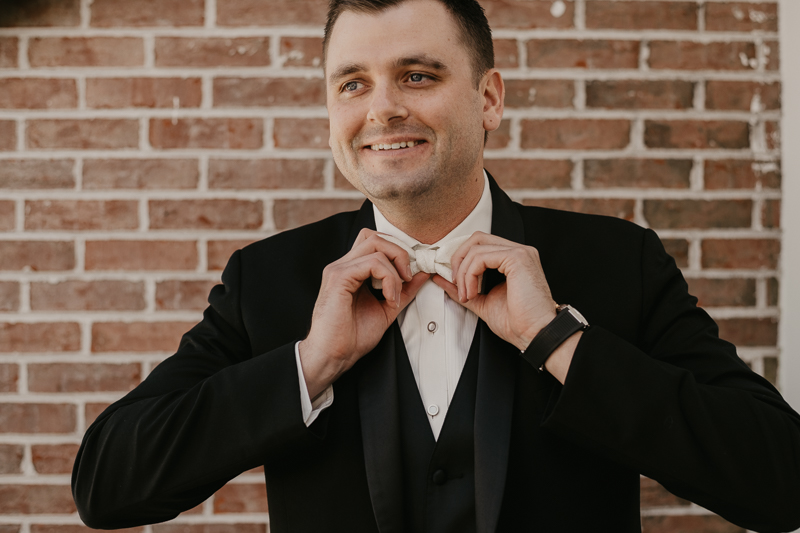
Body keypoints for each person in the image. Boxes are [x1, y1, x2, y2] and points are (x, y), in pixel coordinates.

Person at [72, 0, 800, 531]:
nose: (381, 108)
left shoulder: (618, 262)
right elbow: (108, 483)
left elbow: (780, 477)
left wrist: (558, 342)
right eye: (351, 83)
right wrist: (307, 364)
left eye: (416, 76)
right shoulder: (268, 280)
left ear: (488, 98)